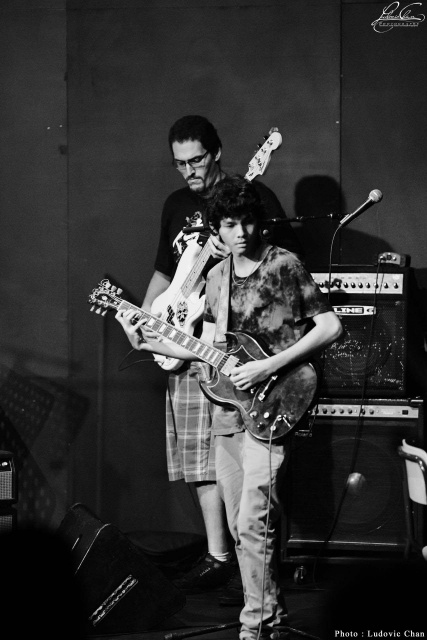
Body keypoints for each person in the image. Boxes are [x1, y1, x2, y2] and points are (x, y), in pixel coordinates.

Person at [117, 174, 342, 638]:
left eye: (247, 222)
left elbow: (330, 327)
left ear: (259, 222)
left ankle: (252, 627)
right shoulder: (217, 278)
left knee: (254, 520)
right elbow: (205, 348)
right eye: (230, 225)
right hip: (228, 411)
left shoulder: (283, 265)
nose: (241, 233)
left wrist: (267, 366)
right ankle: (272, 616)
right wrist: (145, 341)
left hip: (275, 400)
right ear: (216, 229)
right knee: (242, 528)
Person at [121, 116, 304, 601]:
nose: (190, 171)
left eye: (197, 160)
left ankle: (253, 570)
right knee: (198, 459)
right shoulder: (176, 204)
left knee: (246, 461)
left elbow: (275, 269)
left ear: (217, 152)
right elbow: (165, 272)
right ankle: (217, 555)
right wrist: (146, 319)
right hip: (186, 341)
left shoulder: (248, 200)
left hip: (235, 348)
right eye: (180, 164)